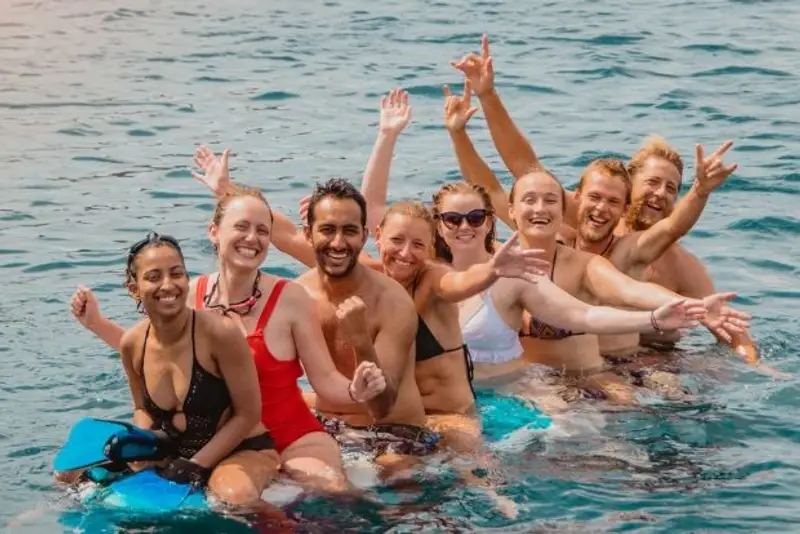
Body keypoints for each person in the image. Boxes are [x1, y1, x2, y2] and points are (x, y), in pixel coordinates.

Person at [448, 33, 760, 363]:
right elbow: (519, 172)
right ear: (628, 187)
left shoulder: (658, 256)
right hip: (558, 374)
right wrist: (484, 100)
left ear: (622, 204)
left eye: (672, 188)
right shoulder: (560, 225)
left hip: (638, 366)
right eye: (652, 182)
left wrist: (700, 191)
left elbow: (671, 234)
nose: (659, 194)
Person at [70, 184, 388, 495]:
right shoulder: (188, 291)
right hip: (223, 442)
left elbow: (325, 379)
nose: (253, 238)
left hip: (293, 438)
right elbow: (150, 355)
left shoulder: (291, 298)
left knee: (330, 487)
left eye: (263, 231)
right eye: (242, 227)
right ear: (214, 232)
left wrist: (354, 390)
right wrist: (97, 324)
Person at [65, 232, 279, 507]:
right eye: (154, 277)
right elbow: (142, 408)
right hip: (174, 449)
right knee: (71, 475)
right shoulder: (134, 343)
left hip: (241, 450)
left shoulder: (220, 334)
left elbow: (248, 414)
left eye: (176, 273)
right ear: (133, 288)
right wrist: (139, 447)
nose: (168, 285)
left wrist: (195, 466)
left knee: (233, 497)